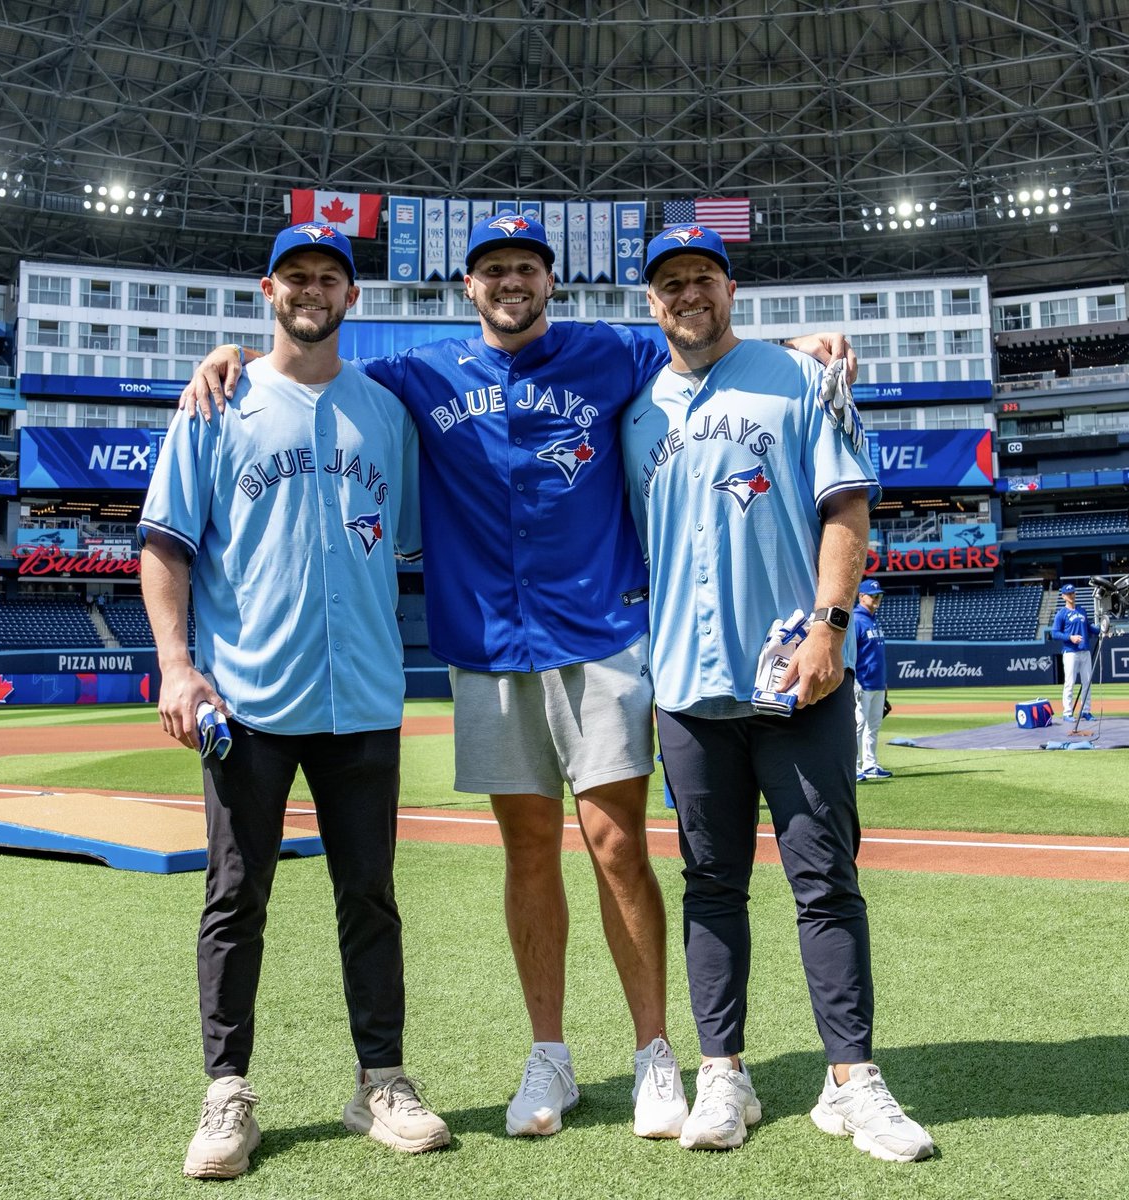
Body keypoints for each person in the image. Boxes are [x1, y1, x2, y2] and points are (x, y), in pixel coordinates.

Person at [181, 212, 855, 1140]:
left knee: (618, 845)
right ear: (468, 287)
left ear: (551, 280)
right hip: (488, 646)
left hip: (599, 636)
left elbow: (703, 338)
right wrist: (228, 354)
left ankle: (657, 1053)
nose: (511, 281)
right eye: (493, 268)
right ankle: (550, 1055)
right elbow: (308, 370)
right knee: (528, 851)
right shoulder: (415, 377)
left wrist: (798, 347)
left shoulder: (610, 353)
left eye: (526, 267)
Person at [140, 223, 449, 1179]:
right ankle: (227, 1091)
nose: (313, 290)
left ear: (351, 298)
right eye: (297, 276)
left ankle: (381, 1082)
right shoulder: (216, 402)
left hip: (361, 694)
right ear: (268, 289)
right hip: (249, 699)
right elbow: (163, 545)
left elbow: (402, 537)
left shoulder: (386, 412)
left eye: (331, 278)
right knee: (236, 898)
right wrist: (176, 665)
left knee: (370, 897)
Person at [621, 224, 933, 1161]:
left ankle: (852, 1081)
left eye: (704, 278)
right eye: (671, 283)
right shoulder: (634, 410)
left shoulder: (801, 378)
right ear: (652, 301)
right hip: (686, 685)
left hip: (798, 678)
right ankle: (725, 1073)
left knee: (823, 879)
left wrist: (832, 625)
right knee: (710, 884)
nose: (689, 294)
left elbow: (846, 506)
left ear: (730, 288)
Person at [853, 579, 892, 781]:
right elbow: (851, 654)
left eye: (879, 595)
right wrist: (854, 681)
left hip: (877, 682)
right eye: (873, 595)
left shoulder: (874, 619)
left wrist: (884, 683)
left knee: (874, 725)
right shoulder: (856, 620)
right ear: (861, 597)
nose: (878, 598)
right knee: (858, 725)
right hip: (862, 682)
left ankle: (870, 764)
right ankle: (854, 766)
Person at [1051, 583, 1095, 719]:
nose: (1071, 595)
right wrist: (1070, 637)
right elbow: (1054, 633)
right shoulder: (1061, 614)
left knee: (1087, 682)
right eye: (1068, 593)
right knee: (1070, 682)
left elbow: (1089, 628)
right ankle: (1067, 712)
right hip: (1070, 651)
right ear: (1063, 596)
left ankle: (1085, 711)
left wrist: (1102, 628)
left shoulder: (1082, 610)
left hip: (1085, 650)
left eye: (1073, 593)